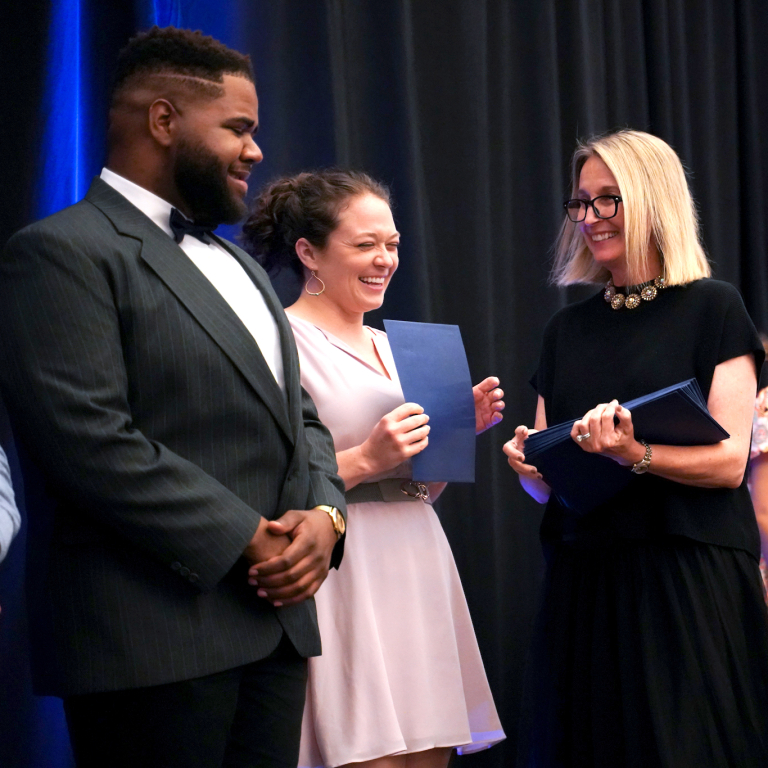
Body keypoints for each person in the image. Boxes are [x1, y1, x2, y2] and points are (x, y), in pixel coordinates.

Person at [0, 27, 346, 768]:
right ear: (163, 121)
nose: (256, 150)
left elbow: (301, 416)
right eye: (238, 128)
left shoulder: (242, 267)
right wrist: (251, 537)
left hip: (274, 631)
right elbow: (88, 441)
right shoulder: (58, 252)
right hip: (147, 639)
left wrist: (326, 515)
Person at [504, 130, 768, 767]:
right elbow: (550, 481)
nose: (590, 218)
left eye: (608, 200)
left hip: (687, 574)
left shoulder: (712, 308)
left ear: (654, 200)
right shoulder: (566, 330)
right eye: (581, 203)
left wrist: (633, 453)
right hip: (588, 576)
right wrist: (528, 465)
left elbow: (731, 463)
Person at [242, 170, 506, 768]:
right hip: (341, 567)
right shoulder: (278, 340)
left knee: (428, 751)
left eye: (391, 245)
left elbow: (416, 489)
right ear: (308, 252)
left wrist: (453, 437)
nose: (384, 259)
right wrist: (366, 458)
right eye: (365, 245)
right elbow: (261, 478)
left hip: (415, 558)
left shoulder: (397, 345)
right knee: (366, 752)